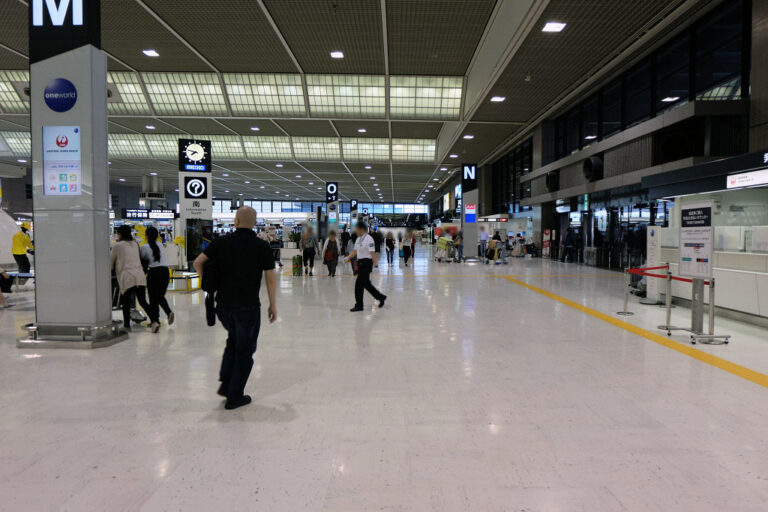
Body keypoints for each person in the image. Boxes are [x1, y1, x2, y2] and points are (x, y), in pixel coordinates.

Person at [193, 207, 277, 410]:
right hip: (248, 307)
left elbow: (198, 263)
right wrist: (272, 304)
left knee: (233, 340)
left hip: (223, 307)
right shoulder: (262, 246)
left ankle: (226, 383)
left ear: (236, 221)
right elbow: (270, 278)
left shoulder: (221, 242)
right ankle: (234, 396)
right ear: (254, 223)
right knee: (245, 350)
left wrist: (207, 283)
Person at [110, 225, 151, 332]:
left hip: (127, 276)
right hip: (139, 275)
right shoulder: (135, 244)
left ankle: (127, 326)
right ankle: (155, 320)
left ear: (120, 234)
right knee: (142, 301)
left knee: (126, 302)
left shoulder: (117, 246)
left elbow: (111, 262)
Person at [344, 221, 386, 312]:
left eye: (357, 229)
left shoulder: (369, 239)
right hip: (360, 263)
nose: (356, 231)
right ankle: (381, 297)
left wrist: (375, 263)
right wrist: (347, 258)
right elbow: (355, 251)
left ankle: (359, 305)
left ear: (362, 229)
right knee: (366, 285)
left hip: (367, 264)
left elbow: (372, 252)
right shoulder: (358, 239)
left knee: (358, 285)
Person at [140, 226, 175, 333]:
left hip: (154, 273)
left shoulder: (144, 247)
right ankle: (168, 313)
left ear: (146, 236)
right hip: (165, 272)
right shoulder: (161, 245)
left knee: (153, 298)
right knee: (159, 296)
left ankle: (155, 322)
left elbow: (142, 261)